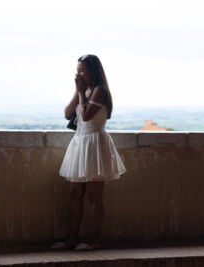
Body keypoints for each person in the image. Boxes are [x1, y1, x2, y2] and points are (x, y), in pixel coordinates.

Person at [52, 55, 126, 251]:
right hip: (80, 143)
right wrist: (78, 92)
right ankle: (71, 239)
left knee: (94, 196)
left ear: (94, 71)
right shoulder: (83, 91)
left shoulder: (100, 91)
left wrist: (82, 94)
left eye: (83, 70)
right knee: (74, 193)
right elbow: (67, 113)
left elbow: (85, 117)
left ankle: (94, 240)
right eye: (77, 70)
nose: (79, 73)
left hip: (94, 143)